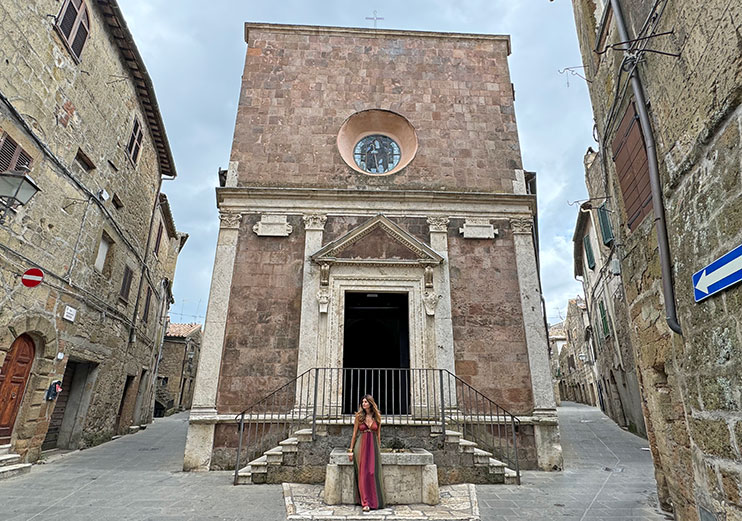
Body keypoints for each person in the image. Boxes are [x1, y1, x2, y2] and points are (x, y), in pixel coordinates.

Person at [348, 394, 385, 511]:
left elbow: (378, 435)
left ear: (370, 403)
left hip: (373, 446)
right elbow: (354, 434)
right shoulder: (359, 417)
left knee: (372, 473)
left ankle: (374, 500)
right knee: (363, 474)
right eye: (362, 402)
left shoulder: (377, 417)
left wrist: (378, 449)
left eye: (366, 402)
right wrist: (350, 450)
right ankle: (365, 503)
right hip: (361, 445)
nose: (364, 404)